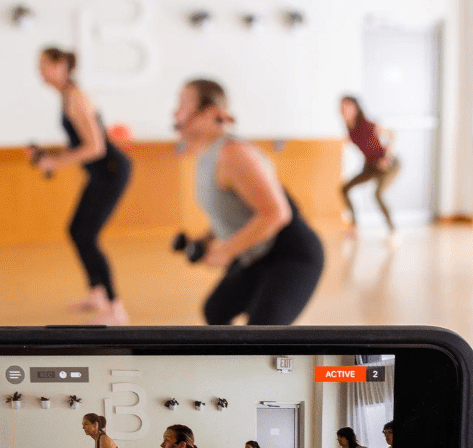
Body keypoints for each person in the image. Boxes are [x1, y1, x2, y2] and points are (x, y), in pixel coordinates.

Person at [172, 79, 325, 325]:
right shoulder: (205, 154)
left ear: (209, 113)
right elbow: (236, 209)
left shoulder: (233, 153)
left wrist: (225, 251)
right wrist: (207, 238)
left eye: (182, 105)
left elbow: (277, 213)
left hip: (291, 254)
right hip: (255, 255)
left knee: (261, 336)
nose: (175, 113)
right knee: (215, 311)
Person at [33, 46, 132, 324]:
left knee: (87, 236)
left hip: (112, 171)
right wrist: (48, 155)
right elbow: (79, 142)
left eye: (43, 65)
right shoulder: (66, 97)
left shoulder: (76, 97)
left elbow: (96, 147)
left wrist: (56, 163)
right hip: (100, 174)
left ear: (61, 65)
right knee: (76, 230)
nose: (39, 71)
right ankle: (96, 293)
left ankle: (115, 307)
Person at [339, 96, 401, 236]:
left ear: (355, 108)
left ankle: (393, 231)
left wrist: (387, 156)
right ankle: (354, 228)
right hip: (370, 166)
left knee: (378, 194)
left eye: (346, 106)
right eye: (341, 107)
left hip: (388, 165)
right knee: (345, 188)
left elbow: (392, 133)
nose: (343, 110)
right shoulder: (350, 128)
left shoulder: (369, 125)